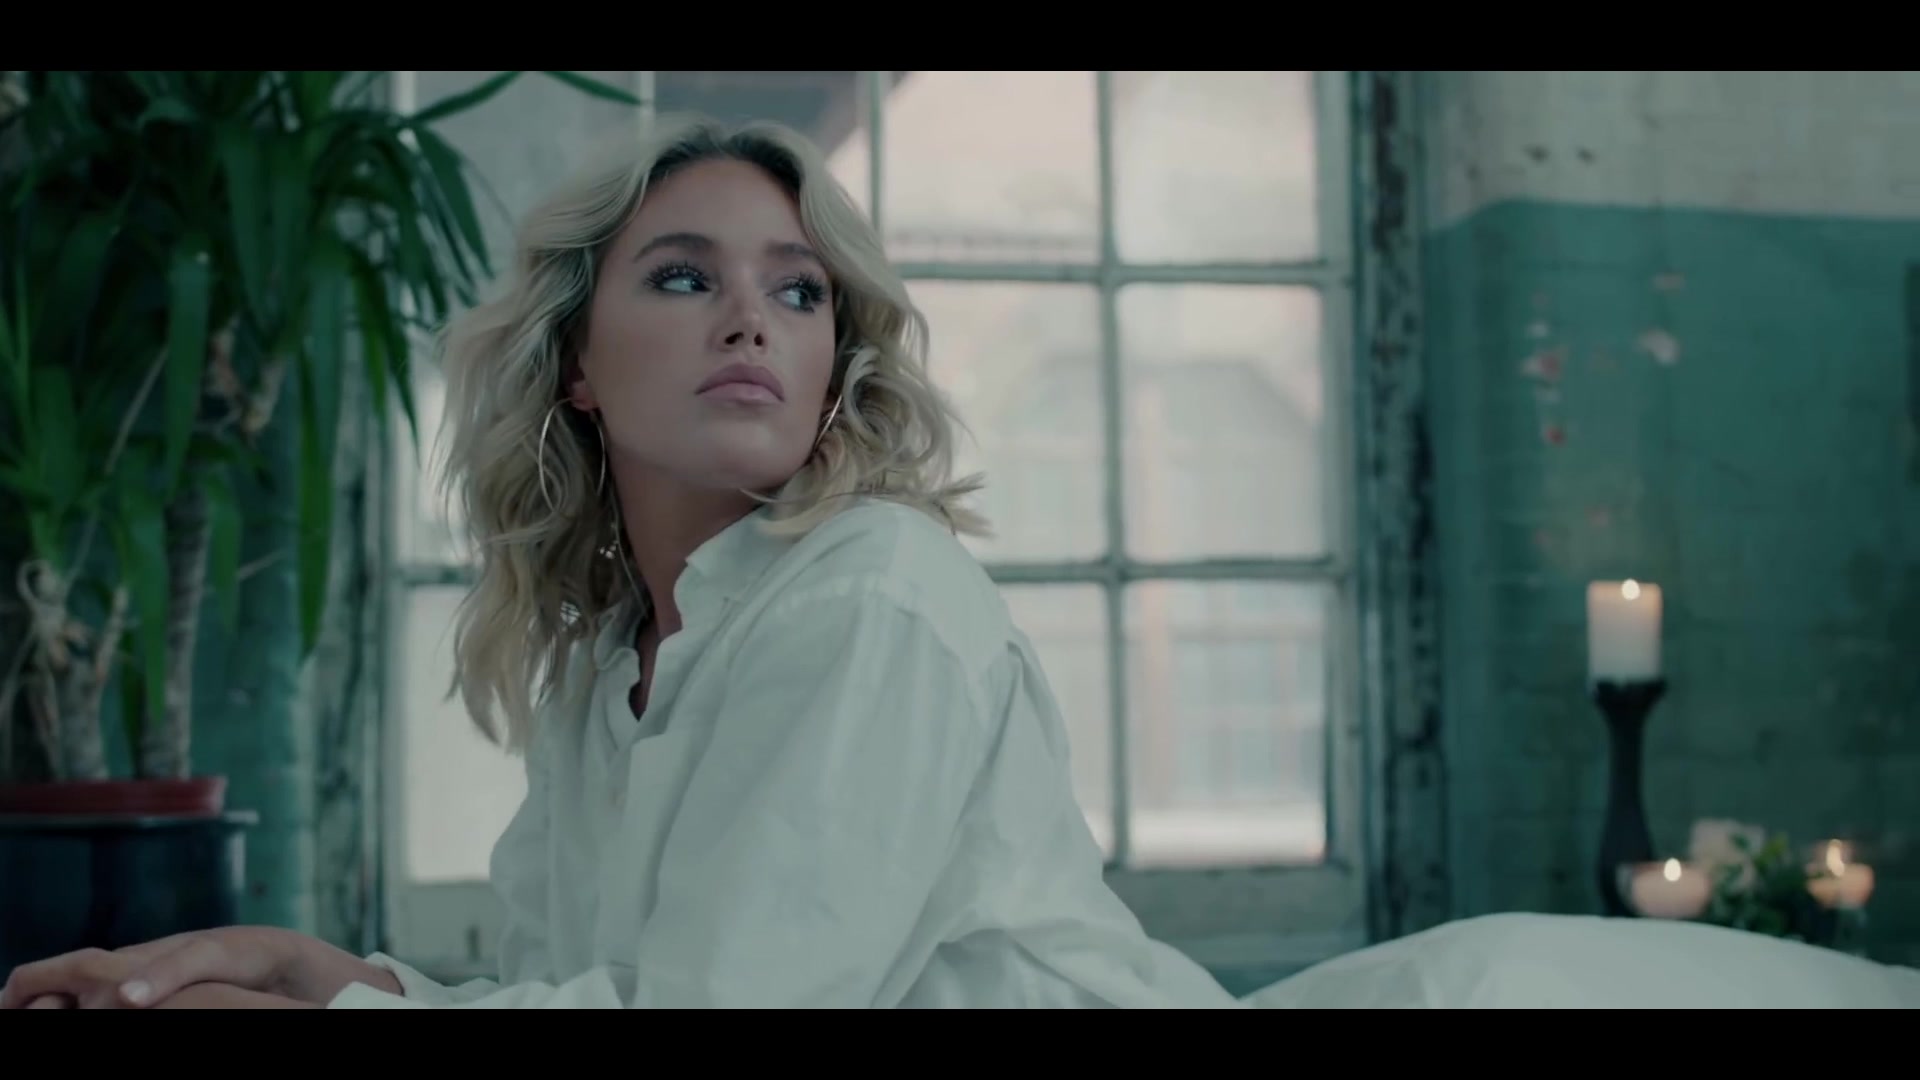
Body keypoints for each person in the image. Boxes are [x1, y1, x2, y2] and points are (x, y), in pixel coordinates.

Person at [1, 114, 1244, 1010]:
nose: (751, 320)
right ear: (578, 365)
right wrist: (297, 966)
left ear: (832, 371)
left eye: (800, 293)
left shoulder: (877, 592)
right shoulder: (612, 664)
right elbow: (585, 991)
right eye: (685, 276)